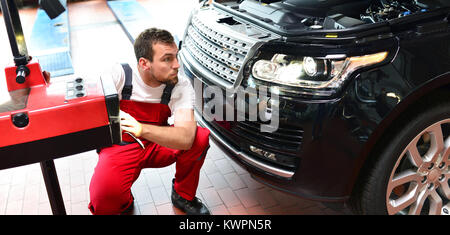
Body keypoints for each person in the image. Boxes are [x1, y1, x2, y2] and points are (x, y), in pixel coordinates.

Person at [88, 28, 211, 215]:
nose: (177, 65)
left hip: (157, 143)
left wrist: (141, 129)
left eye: (176, 56)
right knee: (105, 202)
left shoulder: (181, 85)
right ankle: (122, 198)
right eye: (167, 59)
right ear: (144, 63)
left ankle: (183, 195)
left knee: (198, 138)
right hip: (121, 147)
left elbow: (185, 138)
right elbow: (88, 109)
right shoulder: (118, 75)